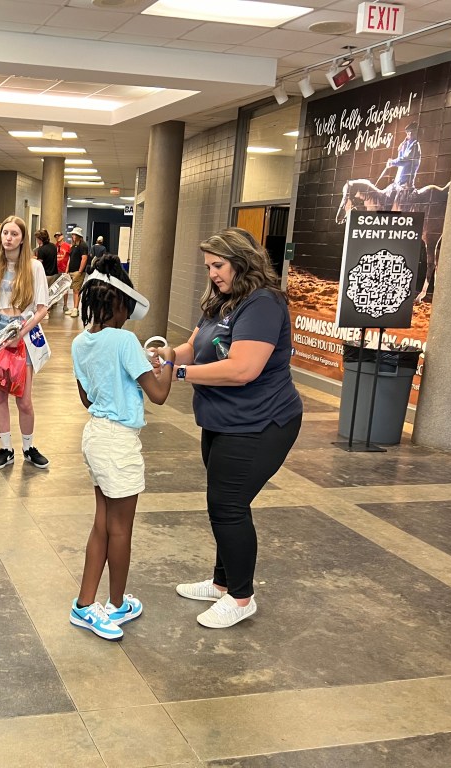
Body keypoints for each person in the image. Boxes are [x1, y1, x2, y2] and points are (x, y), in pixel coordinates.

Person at [157, 227, 302, 629]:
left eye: (218, 266)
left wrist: (180, 373)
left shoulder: (263, 304)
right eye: (208, 267)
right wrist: (165, 356)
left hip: (261, 422)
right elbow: (194, 345)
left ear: (242, 261)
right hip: (223, 420)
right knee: (224, 503)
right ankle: (222, 583)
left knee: (229, 507)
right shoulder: (223, 300)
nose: (213, 274)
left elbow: (243, 369)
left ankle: (240, 598)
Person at [69, 255, 172, 640]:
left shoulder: (81, 343)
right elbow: (158, 394)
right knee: (121, 529)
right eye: (126, 306)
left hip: (95, 436)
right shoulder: (127, 341)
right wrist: (170, 363)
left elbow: (86, 397)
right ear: (118, 303)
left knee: (102, 524)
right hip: (119, 443)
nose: (129, 314)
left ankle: (84, 603)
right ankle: (114, 606)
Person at [0, 215, 50, 470]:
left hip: (22, 330)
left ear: (23, 238)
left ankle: (29, 447)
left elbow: (41, 308)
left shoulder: (34, 267)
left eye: (14, 234)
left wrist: (22, 331)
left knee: (24, 398)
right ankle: (6, 448)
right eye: (5, 233)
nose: (8, 238)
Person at [384, 122, 421, 210]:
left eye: (411, 132)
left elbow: (405, 160)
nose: (409, 134)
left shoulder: (415, 145)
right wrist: (400, 150)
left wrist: (392, 162)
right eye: (408, 132)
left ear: (415, 133)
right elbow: (401, 158)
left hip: (406, 185)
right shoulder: (408, 145)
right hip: (398, 183)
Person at [66, 226, 90, 317]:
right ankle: (74, 307)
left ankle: (76, 308)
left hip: (77, 271)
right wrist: (67, 269)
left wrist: (80, 271)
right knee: (74, 290)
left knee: (77, 290)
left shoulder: (83, 245)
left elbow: (84, 259)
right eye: (72, 234)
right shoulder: (73, 246)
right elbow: (70, 258)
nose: (73, 236)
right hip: (72, 270)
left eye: (74, 234)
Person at [54, 232, 72, 312]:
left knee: (65, 288)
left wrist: (67, 269)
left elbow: (70, 258)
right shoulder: (55, 246)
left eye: (59, 236)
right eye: (56, 236)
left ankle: (65, 305)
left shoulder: (67, 246)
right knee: (55, 287)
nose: (57, 237)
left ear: (62, 236)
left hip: (64, 268)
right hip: (56, 269)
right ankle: (54, 302)